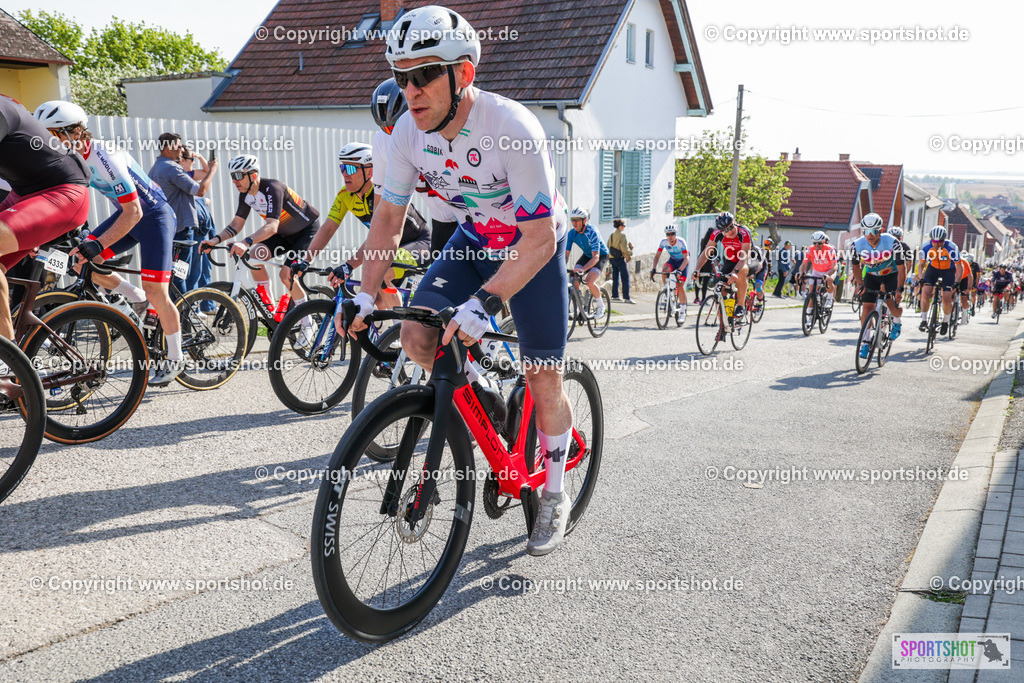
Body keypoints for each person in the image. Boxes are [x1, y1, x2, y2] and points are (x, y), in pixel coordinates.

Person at [349, 5, 573, 555]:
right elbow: (388, 220)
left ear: (463, 73)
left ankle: (555, 493)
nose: (411, 90)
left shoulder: (512, 127)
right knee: (418, 336)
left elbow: (539, 238)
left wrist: (489, 303)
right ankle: (485, 388)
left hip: (530, 247)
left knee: (543, 375)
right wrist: (361, 291)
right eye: (402, 77)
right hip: (474, 242)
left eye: (424, 74)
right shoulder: (406, 131)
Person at [35, 100, 185, 386]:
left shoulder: (104, 155)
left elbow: (136, 211)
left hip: (153, 216)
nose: (49, 142)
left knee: (157, 292)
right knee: (80, 262)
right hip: (127, 215)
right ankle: (134, 297)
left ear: (76, 132)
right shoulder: (70, 158)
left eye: (54, 134)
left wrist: (98, 243)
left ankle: (176, 359)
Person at [291, 142, 430, 312]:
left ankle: (399, 330)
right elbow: (328, 228)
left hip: (419, 243)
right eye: (342, 168)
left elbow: (377, 236)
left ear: (370, 172)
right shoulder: (345, 196)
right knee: (376, 302)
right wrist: (306, 260)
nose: (344, 174)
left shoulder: (384, 192)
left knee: (380, 270)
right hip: (389, 246)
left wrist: (348, 265)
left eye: (350, 169)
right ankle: (384, 337)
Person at [0, 96, 91, 339]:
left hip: (63, 194)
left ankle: (6, 363)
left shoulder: (2, 108)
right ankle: (9, 356)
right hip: (23, 195)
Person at [200, 155, 319, 316]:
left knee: (286, 275)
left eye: (238, 176)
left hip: (306, 232)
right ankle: (269, 309)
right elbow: (236, 224)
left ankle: (307, 322)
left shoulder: (273, 188)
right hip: (284, 234)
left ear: (253, 175)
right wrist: (214, 240)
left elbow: (272, 226)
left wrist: (246, 242)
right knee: (255, 257)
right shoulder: (246, 194)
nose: (234, 181)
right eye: (232, 176)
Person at [369, 77, 457, 258]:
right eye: (387, 130)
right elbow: (381, 208)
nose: (394, 135)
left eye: (396, 126)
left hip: (471, 217)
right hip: (441, 221)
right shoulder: (382, 141)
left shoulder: (437, 132)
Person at [149, 132, 218, 294]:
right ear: (168, 148)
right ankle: (181, 316)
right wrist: (213, 169)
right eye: (179, 146)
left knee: (173, 275)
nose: (182, 150)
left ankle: (173, 314)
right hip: (181, 230)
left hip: (169, 228)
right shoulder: (171, 168)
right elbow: (200, 190)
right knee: (180, 275)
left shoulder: (156, 168)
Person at [851, 213, 905, 358]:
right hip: (871, 276)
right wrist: (860, 284)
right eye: (867, 231)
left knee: (891, 305)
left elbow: (901, 268)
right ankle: (866, 342)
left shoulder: (892, 242)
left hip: (890, 275)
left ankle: (897, 322)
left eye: (874, 231)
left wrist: (900, 289)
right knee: (867, 308)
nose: (870, 235)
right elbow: (856, 267)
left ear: (880, 230)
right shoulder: (857, 245)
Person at [694, 211, 751, 320]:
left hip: (747, 259)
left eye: (731, 227)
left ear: (734, 222)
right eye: (725, 230)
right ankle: (723, 325)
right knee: (719, 289)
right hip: (731, 261)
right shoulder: (716, 234)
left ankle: (741, 306)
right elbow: (706, 252)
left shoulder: (744, 232)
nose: (730, 231)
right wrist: (697, 269)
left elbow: (744, 257)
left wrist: (735, 272)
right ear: (721, 231)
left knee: (741, 272)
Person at [179, 148, 216, 302]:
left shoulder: (190, 174)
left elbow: (207, 173)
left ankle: (205, 305)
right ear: (182, 160)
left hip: (202, 224)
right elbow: (197, 192)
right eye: (190, 159)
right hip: (191, 225)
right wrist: (200, 200)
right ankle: (191, 304)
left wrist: (200, 156)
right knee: (192, 268)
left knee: (202, 265)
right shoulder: (177, 175)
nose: (193, 163)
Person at [566, 206, 609, 319]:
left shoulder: (592, 232)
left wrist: (584, 269)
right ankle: (577, 306)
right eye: (572, 220)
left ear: (584, 221)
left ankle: (601, 306)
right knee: (574, 276)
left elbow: (596, 257)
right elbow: (565, 255)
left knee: (589, 281)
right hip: (587, 255)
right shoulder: (571, 234)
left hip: (600, 255)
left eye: (577, 220)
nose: (574, 223)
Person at [917, 225, 960, 335]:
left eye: (940, 241)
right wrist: (921, 277)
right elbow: (921, 265)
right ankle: (924, 320)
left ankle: (945, 321)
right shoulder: (926, 247)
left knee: (946, 299)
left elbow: (959, 266)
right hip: (933, 269)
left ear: (944, 240)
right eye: (934, 241)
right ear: (931, 240)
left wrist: (957, 281)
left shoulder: (951, 247)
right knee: (925, 293)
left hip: (948, 271)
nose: (937, 244)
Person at [650, 225, 688, 323]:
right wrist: (653, 268)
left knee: (679, 285)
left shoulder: (681, 242)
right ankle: (667, 291)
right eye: (668, 234)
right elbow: (657, 256)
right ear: (666, 235)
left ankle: (683, 312)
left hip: (683, 262)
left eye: (672, 234)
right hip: (673, 260)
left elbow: (686, 258)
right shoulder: (664, 242)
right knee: (665, 270)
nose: (670, 236)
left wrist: (680, 270)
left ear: (675, 234)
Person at [799, 231, 838, 307]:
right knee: (811, 292)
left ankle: (830, 298)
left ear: (824, 242)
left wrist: (828, 274)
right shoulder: (809, 249)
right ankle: (810, 314)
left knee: (829, 280)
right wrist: (801, 272)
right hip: (817, 271)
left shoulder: (830, 249)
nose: (817, 245)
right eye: (814, 243)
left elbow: (835, 266)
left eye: (819, 243)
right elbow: (804, 264)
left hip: (829, 270)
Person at [608, 218, 633, 303]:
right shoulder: (622, 235)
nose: (624, 227)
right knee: (625, 277)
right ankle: (626, 297)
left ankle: (615, 295)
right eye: (623, 225)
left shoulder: (612, 235)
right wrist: (631, 252)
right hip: (619, 258)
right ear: (620, 226)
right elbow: (624, 249)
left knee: (615, 277)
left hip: (612, 258)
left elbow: (608, 244)